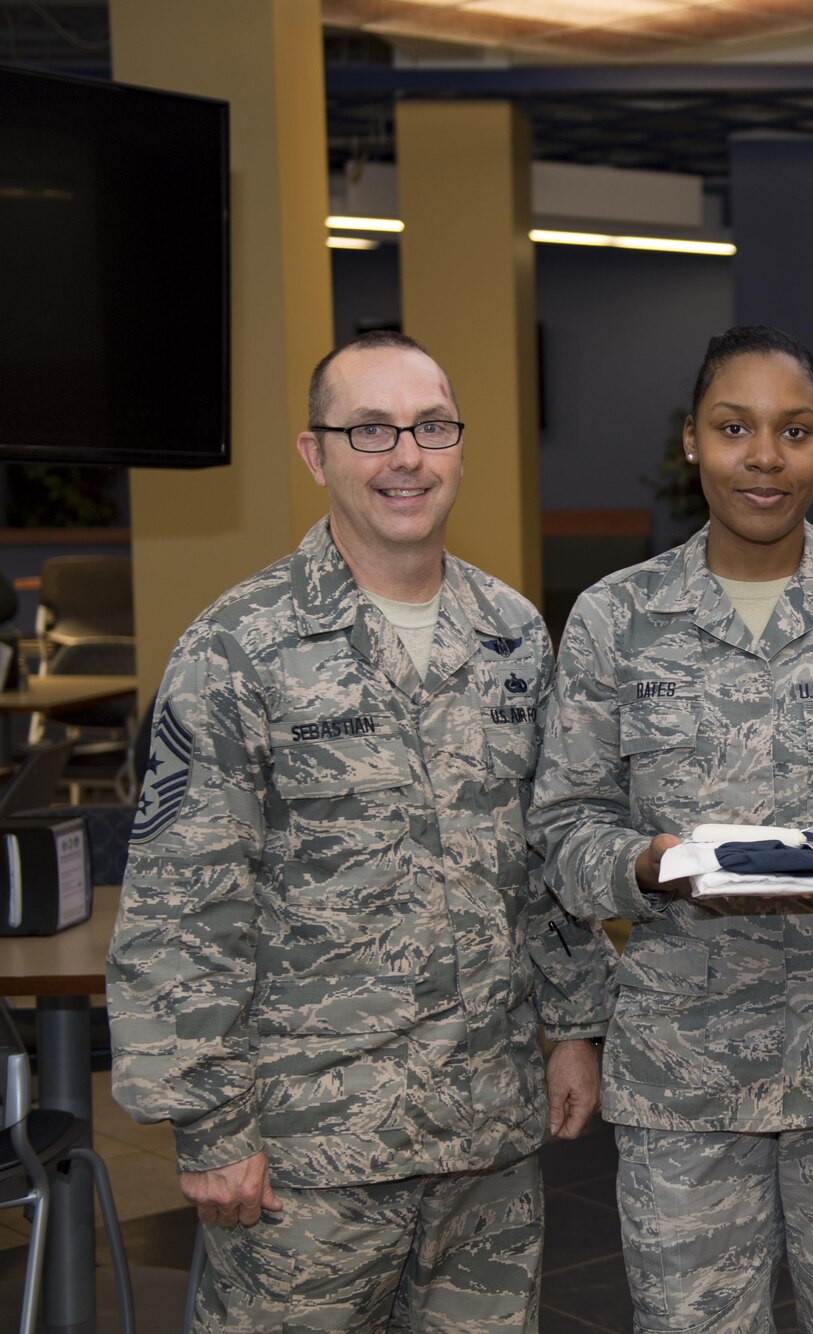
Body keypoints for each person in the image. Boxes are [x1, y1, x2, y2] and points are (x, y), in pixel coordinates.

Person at [107, 330, 615, 1330]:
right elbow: (184, 898)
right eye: (370, 430)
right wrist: (210, 1120)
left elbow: (542, 853)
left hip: (486, 1136)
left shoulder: (512, 633)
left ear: (460, 447)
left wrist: (571, 1024)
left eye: (430, 427)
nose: (405, 456)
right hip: (308, 1152)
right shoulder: (238, 647)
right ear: (316, 454)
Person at [529, 325, 813, 1334]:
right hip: (684, 1073)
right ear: (692, 440)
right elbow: (562, 828)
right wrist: (645, 863)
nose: (764, 457)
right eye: (735, 428)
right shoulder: (616, 619)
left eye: (794, 431)